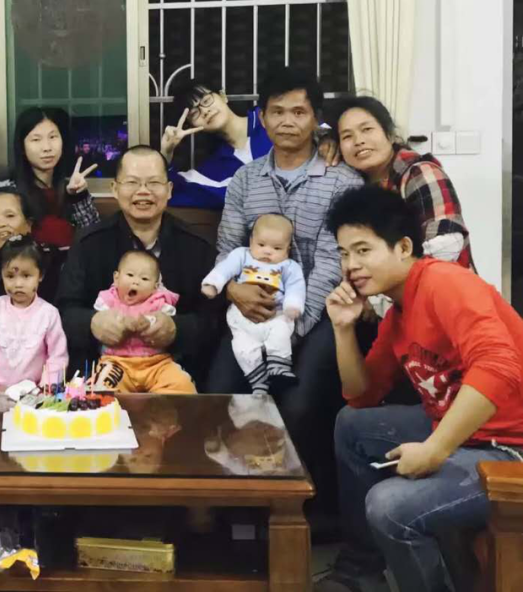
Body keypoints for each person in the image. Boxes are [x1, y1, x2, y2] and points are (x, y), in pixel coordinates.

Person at [318, 186, 523, 592]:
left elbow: (500, 366)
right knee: (352, 424)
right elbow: (361, 396)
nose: (351, 265)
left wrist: (434, 450)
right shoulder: (399, 310)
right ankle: (362, 567)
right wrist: (342, 329)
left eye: (363, 250)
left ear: (403, 247)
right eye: (343, 254)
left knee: (390, 507)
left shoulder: (444, 283)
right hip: (470, 434)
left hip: (510, 448)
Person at [204, 68, 363, 500]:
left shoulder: (342, 181)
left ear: (315, 119)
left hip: (319, 314)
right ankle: (231, 506)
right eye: (277, 111)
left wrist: (290, 327)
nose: (287, 121)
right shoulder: (246, 179)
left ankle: (294, 509)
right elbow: (227, 247)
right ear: (262, 117)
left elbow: (331, 263)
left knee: (297, 405)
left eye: (299, 112)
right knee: (218, 393)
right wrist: (233, 291)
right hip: (249, 310)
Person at [55, 145, 226, 385]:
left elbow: (214, 317)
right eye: (132, 182)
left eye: (153, 183)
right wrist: (92, 323)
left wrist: (177, 329)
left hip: (174, 374)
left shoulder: (197, 246)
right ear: (115, 189)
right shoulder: (88, 243)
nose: (143, 191)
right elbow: (64, 310)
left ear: (169, 190)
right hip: (104, 373)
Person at [328, 94, 473, 270]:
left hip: (438, 283)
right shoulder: (351, 183)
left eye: (367, 129)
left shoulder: (421, 173)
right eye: (347, 136)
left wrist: (388, 280)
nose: (359, 141)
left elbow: (446, 247)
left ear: (390, 134)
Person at [202, 214, 306, 395]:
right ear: (251, 241)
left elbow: (296, 287)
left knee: (281, 331)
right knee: (242, 347)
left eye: (277, 248)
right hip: (242, 315)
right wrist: (213, 284)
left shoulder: (289, 266)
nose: (267, 252)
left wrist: (293, 306)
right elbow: (224, 269)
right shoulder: (241, 255)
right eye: (261, 245)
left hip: (275, 313)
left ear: (288, 249)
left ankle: (278, 367)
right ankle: (259, 382)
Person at [0, 238, 69, 392]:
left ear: (40, 275)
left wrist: (45, 391)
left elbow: (57, 357)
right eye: (10, 276)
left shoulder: (49, 314)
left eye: (26, 275)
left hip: (36, 396)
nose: (18, 284)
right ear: (1, 275)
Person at [92, 250, 196, 394]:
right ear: (116, 278)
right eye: (130, 275)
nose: (136, 281)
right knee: (101, 387)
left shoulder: (158, 301)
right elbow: (101, 317)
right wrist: (118, 322)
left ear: (155, 286)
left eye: (144, 279)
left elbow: (164, 318)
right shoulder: (109, 299)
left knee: (181, 383)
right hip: (116, 362)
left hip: (156, 363)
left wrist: (149, 322)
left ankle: (164, 406)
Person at [161, 82, 274, 212]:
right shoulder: (214, 171)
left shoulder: (268, 120)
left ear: (223, 96)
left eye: (206, 101)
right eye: (194, 113)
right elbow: (167, 192)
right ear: (192, 126)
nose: (205, 111)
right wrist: (166, 153)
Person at [9, 107, 100, 251]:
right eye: (36, 139)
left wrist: (77, 196)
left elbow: (94, 237)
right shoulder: (8, 191)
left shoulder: (69, 187)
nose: (47, 147)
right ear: (21, 147)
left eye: (53, 137)